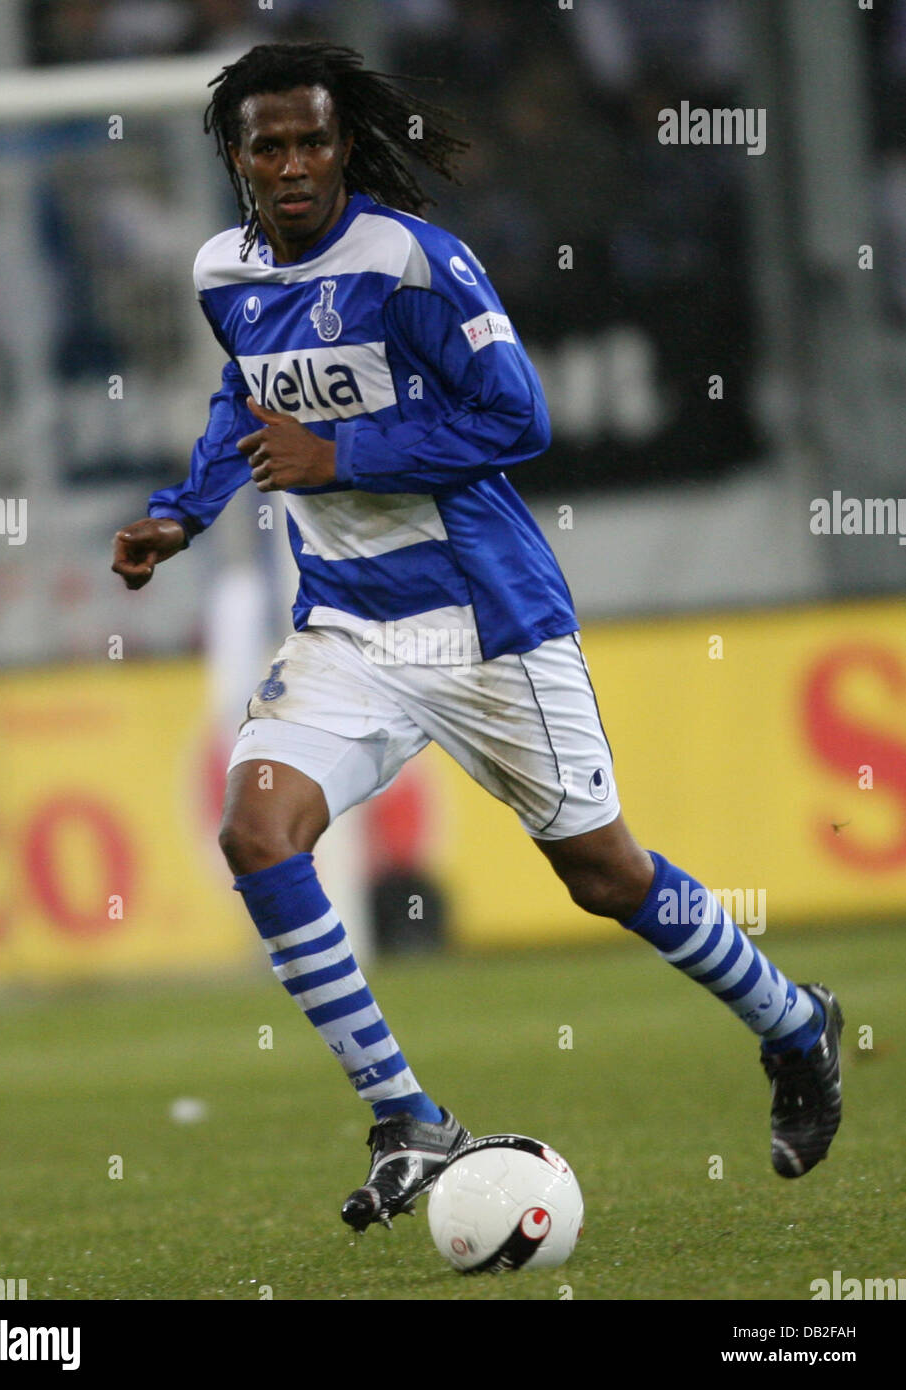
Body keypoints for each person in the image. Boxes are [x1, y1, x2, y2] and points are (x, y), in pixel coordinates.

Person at [112, 41, 842, 1233]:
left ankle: (791, 1021)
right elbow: (244, 399)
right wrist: (178, 514)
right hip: (346, 626)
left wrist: (341, 457)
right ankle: (408, 1117)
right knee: (257, 832)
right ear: (234, 159)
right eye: (268, 147)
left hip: (483, 621)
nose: (293, 166)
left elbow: (517, 417)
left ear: (343, 144)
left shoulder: (413, 261)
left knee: (602, 873)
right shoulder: (222, 272)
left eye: (312, 141)